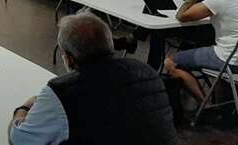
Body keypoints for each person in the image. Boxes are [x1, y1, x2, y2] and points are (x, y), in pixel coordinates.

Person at [9, 13, 176, 145]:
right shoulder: (147, 72)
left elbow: (20, 139)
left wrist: (23, 108)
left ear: (68, 58)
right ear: (110, 44)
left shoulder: (61, 93)